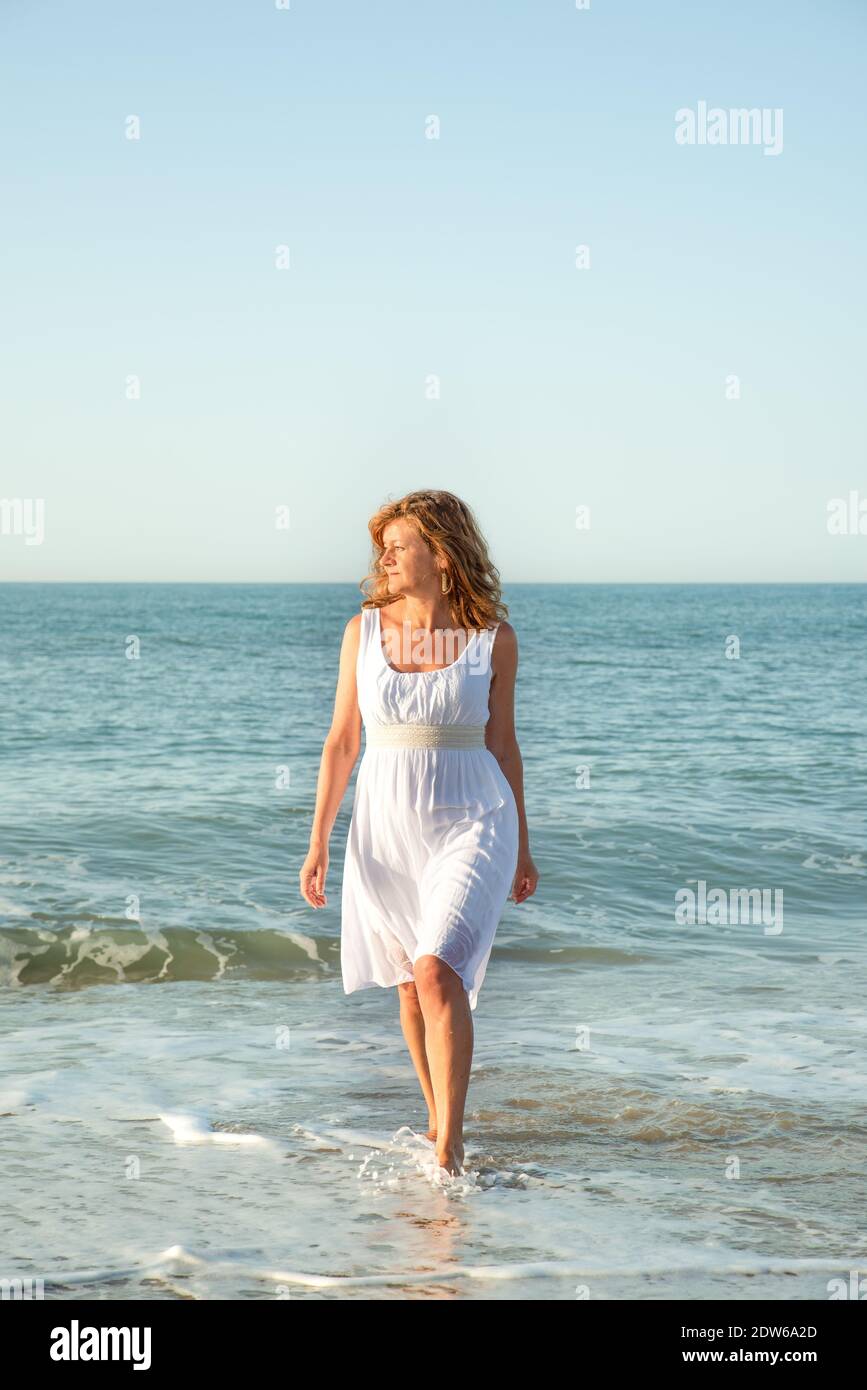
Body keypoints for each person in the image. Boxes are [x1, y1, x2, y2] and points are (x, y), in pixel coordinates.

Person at [300, 490, 538, 1175]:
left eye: (399, 546)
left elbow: (504, 745)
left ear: (440, 553)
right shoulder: (363, 631)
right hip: (385, 824)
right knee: (409, 982)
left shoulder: (492, 638)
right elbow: (342, 741)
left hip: (473, 818)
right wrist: (317, 842)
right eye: (384, 548)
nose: (386, 558)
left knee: (438, 969)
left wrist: (522, 844)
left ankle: (449, 1147)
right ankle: (437, 1125)